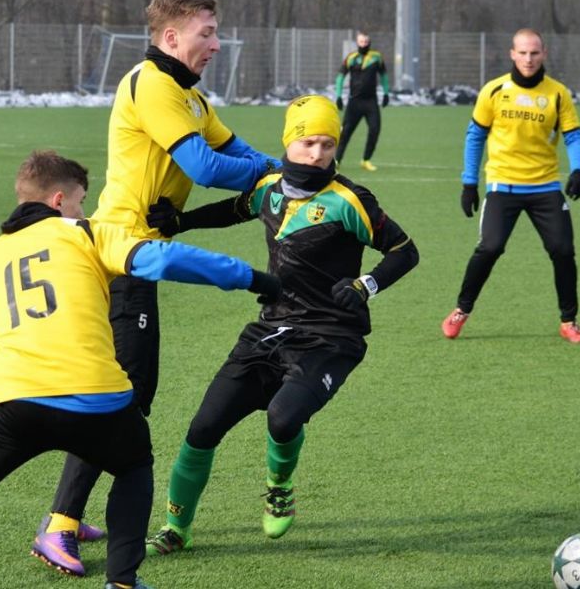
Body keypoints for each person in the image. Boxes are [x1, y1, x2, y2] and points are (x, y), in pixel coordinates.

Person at [0, 151, 280, 589]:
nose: (83, 210)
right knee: (133, 465)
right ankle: (122, 581)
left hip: (10, 403)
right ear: (59, 200)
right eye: (80, 201)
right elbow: (164, 259)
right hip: (96, 400)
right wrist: (254, 279)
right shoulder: (87, 233)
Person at [32, 0, 281, 573]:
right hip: (121, 252)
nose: (216, 44)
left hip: (139, 251)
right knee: (123, 391)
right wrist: (273, 170)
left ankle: (67, 514)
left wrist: (281, 167)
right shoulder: (152, 85)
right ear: (171, 37)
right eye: (206, 33)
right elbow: (207, 167)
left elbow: (237, 150)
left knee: (128, 391)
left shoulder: (191, 97)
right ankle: (60, 522)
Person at [138, 95, 418, 555]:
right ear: (288, 142)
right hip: (271, 329)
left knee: (283, 417)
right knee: (203, 428)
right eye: (308, 142)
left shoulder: (350, 199)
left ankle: (279, 486)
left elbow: (405, 250)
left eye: (328, 144)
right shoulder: (269, 188)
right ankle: (175, 529)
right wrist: (181, 222)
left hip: (332, 336)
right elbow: (234, 210)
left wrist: (366, 284)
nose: (318, 153)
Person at [441, 28, 580, 344]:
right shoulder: (494, 90)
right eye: (522, 52)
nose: (528, 59)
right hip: (503, 186)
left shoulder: (557, 94)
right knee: (490, 247)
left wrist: (579, 169)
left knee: (563, 250)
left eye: (534, 52)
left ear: (544, 54)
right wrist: (469, 183)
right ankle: (461, 310)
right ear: (512, 54)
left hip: (545, 186)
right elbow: (475, 136)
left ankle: (569, 321)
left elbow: (573, 135)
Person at [334, 31, 390, 172]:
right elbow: (340, 77)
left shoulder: (376, 57)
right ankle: (336, 161)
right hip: (354, 102)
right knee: (345, 133)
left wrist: (386, 93)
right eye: (361, 42)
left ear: (369, 42)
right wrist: (338, 96)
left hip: (371, 102)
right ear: (357, 42)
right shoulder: (351, 57)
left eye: (366, 42)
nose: (364, 44)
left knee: (375, 129)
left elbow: (384, 75)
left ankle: (366, 160)